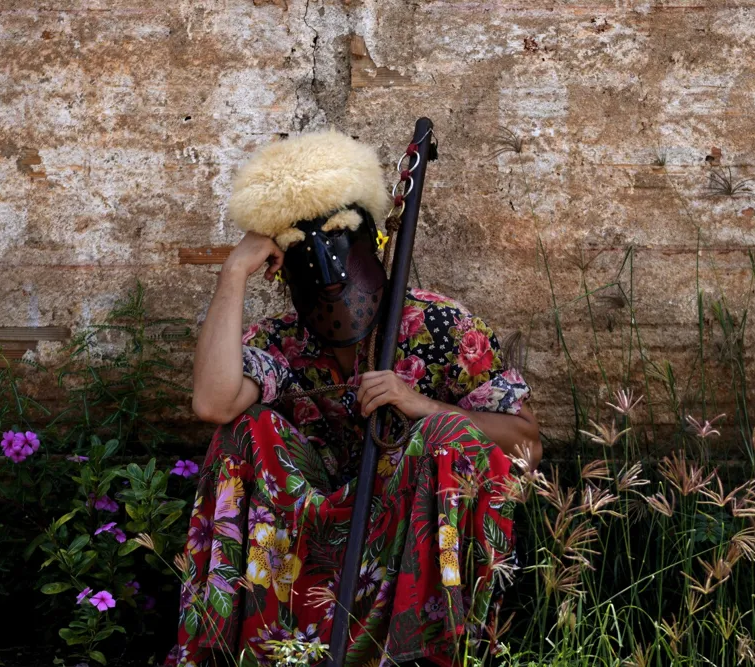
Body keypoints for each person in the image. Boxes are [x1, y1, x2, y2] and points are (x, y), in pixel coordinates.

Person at [169, 129, 541, 667]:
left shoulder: (440, 325)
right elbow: (214, 403)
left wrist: (424, 408)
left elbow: (528, 446)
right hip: (310, 540)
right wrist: (233, 274)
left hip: (412, 528)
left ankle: (430, 648)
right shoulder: (282, 339)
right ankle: (250, 648)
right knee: (244, 431)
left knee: (446, 436)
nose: (327, 276)